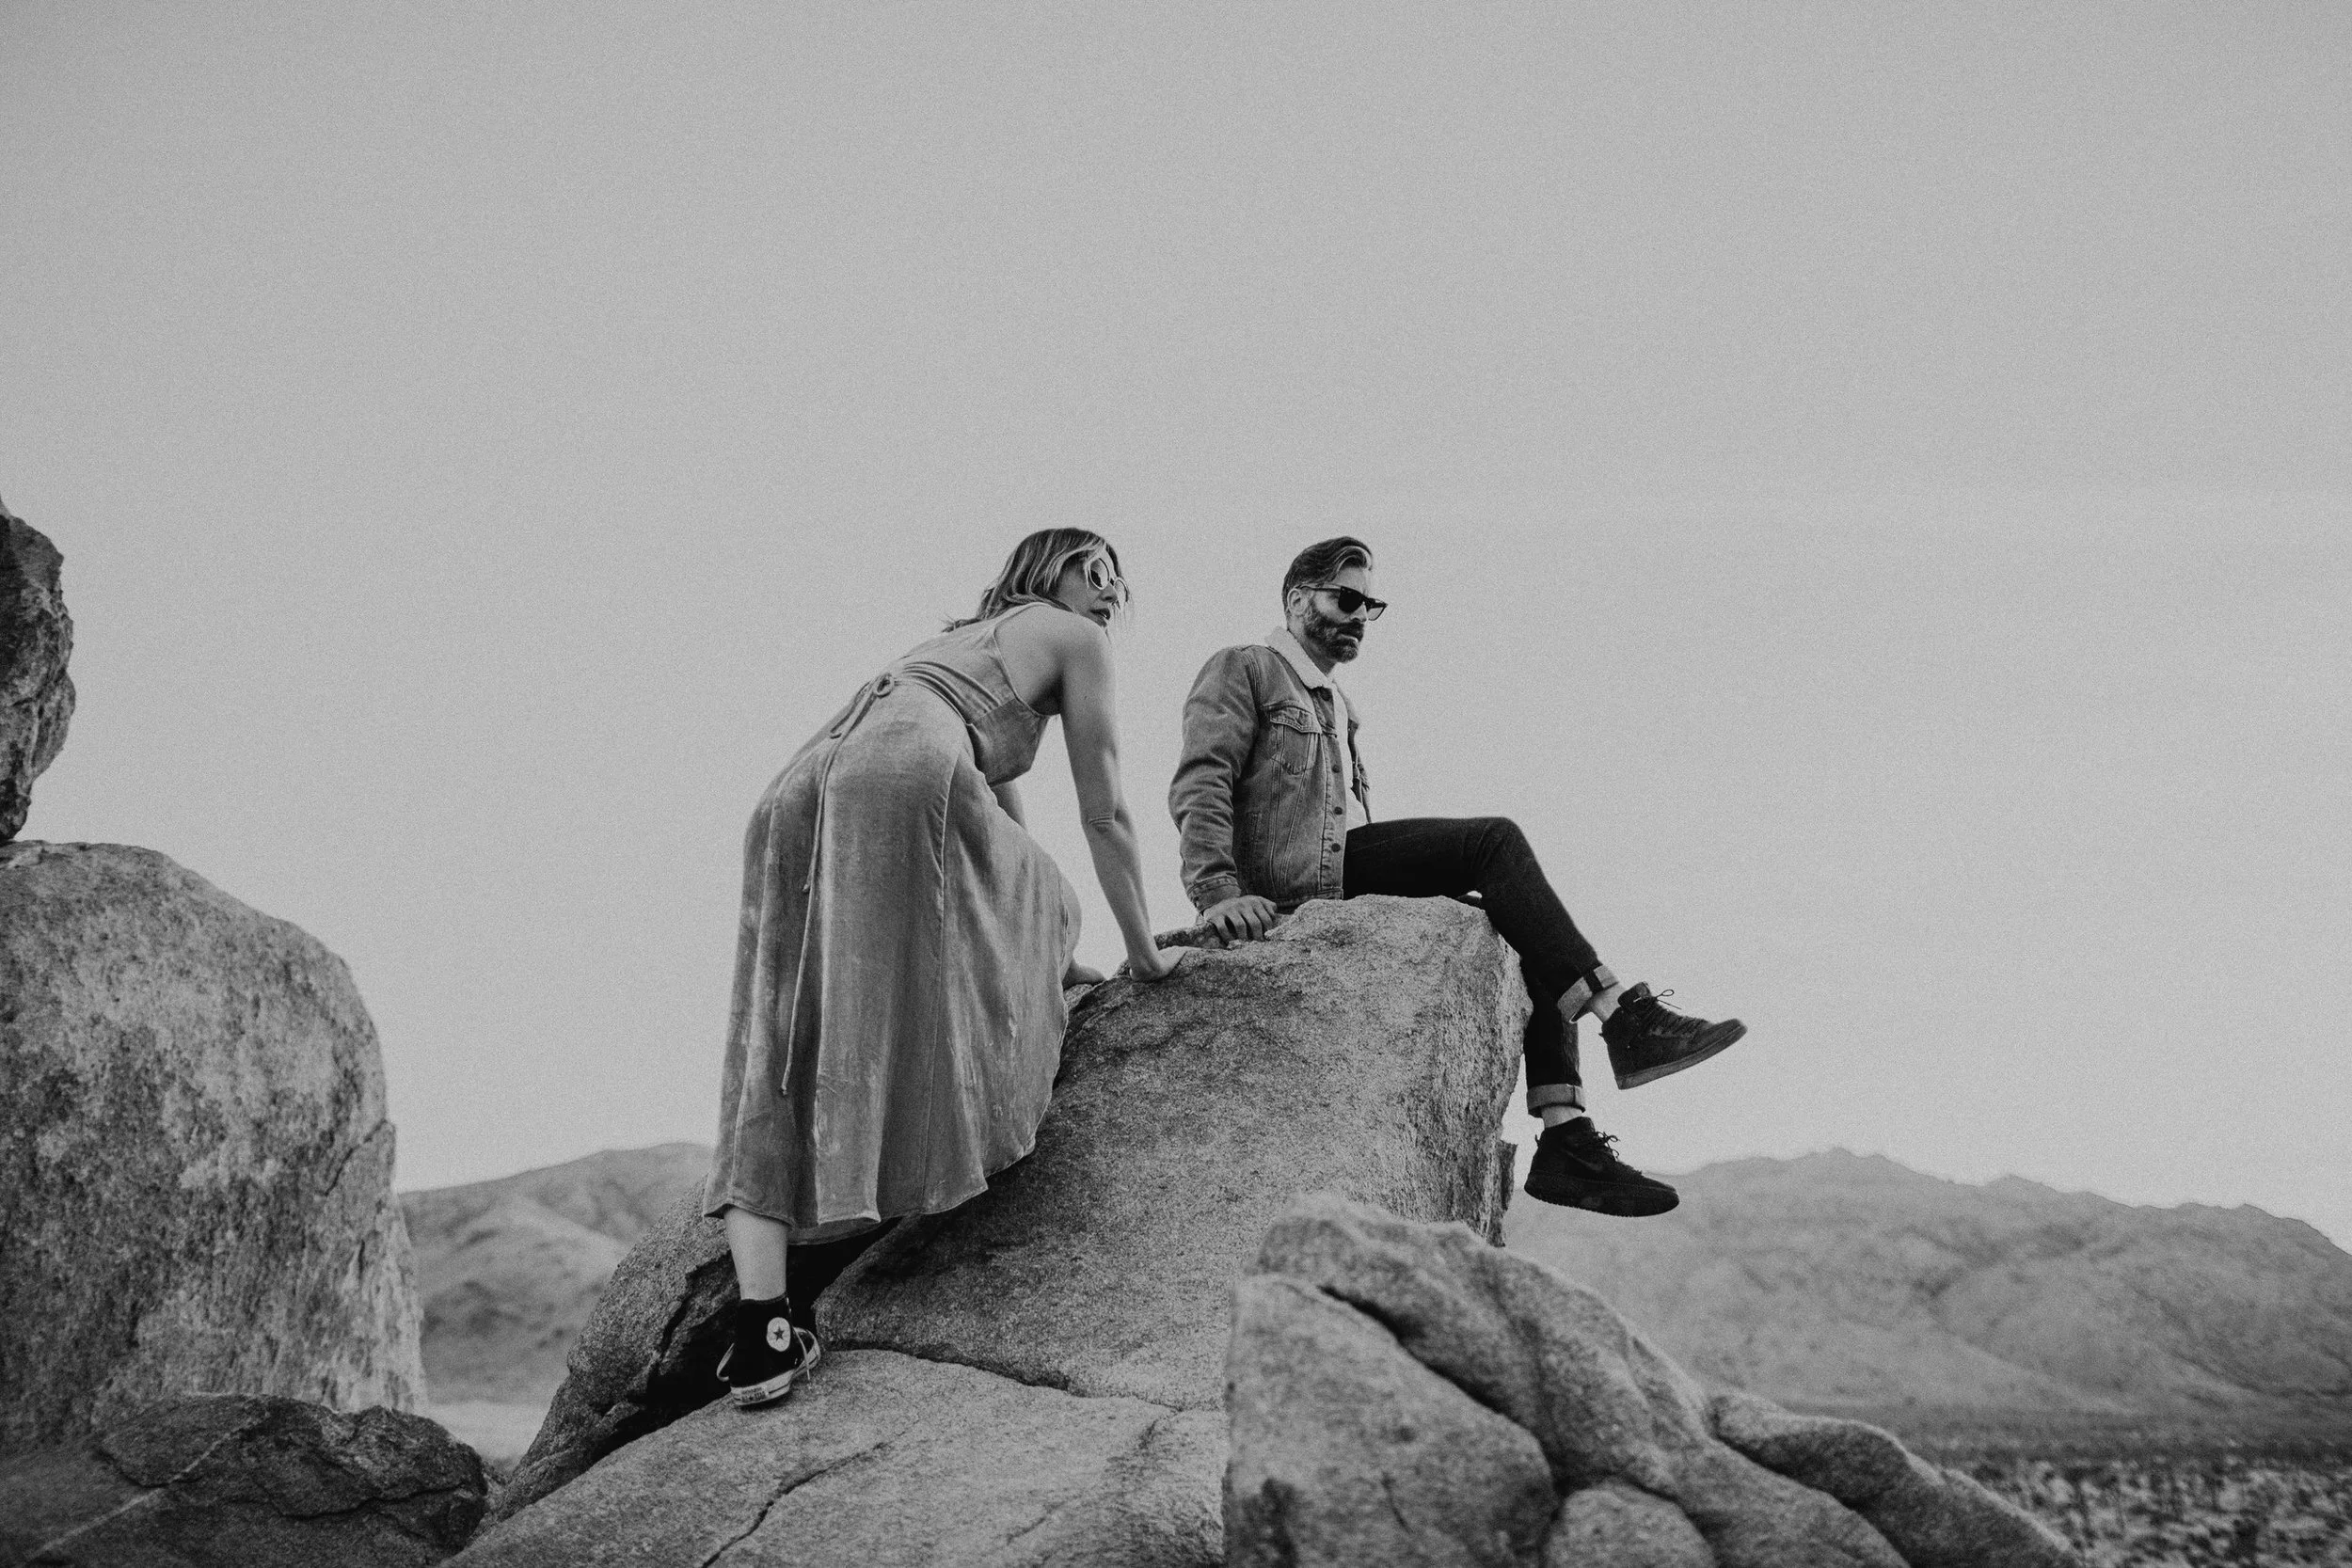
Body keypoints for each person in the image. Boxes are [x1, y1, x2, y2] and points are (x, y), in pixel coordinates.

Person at [705, 530, 1184, 1406]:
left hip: (802, 780)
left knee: (778, 1040)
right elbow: (1105, 807)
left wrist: (1037, 923)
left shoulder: (960, 644)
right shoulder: (1075, 638)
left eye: (1125, 580)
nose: (1113, 592)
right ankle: (998, 1059)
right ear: (1050, 570)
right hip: (906, 766)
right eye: (1098, 569)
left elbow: (999, 812)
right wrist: (1143, 951)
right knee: (1052, 892)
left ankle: (763, 1327)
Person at [1168, 536, 1743, 1218]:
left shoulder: (1335, 704)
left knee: (1518, 919)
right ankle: (1623, 1016)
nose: (1358, 616)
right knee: (1492, 842)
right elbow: (1203, 779)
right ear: (1297, 599)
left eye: (1369, 605)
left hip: (1336, 875)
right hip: (1296, 880)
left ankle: (1566, 1136)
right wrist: (1218, 893)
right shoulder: (1247, 668)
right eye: (1345, 599)